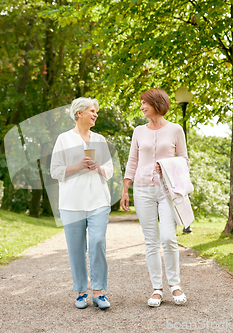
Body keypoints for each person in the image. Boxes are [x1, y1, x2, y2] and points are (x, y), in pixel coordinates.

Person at [120, 88, 188, 307]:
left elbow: (184, 159)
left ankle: (175, 285)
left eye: (144, 103)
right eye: (140, 103)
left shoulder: (176, 129)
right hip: (142, 190)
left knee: (168, 238)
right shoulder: (139, 131)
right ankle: (157, 289)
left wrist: (167, 166)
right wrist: (125, 188)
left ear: (157, 103)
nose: (141, 107)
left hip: (167, 190)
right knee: (151, 241)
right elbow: (132, 160)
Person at [50, 97, 113, 310]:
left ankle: (99, 292)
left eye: (96, 112)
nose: (95, 115)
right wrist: (77, 166)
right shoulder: (63, 139)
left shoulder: (100, 140)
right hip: (71, 203)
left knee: (97, 243)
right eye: (92, 111)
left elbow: (109, 169)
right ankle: (80, 292)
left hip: (98, 201)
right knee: (76, 249)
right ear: (80, 113)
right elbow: (55, 170)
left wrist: (98, 167)